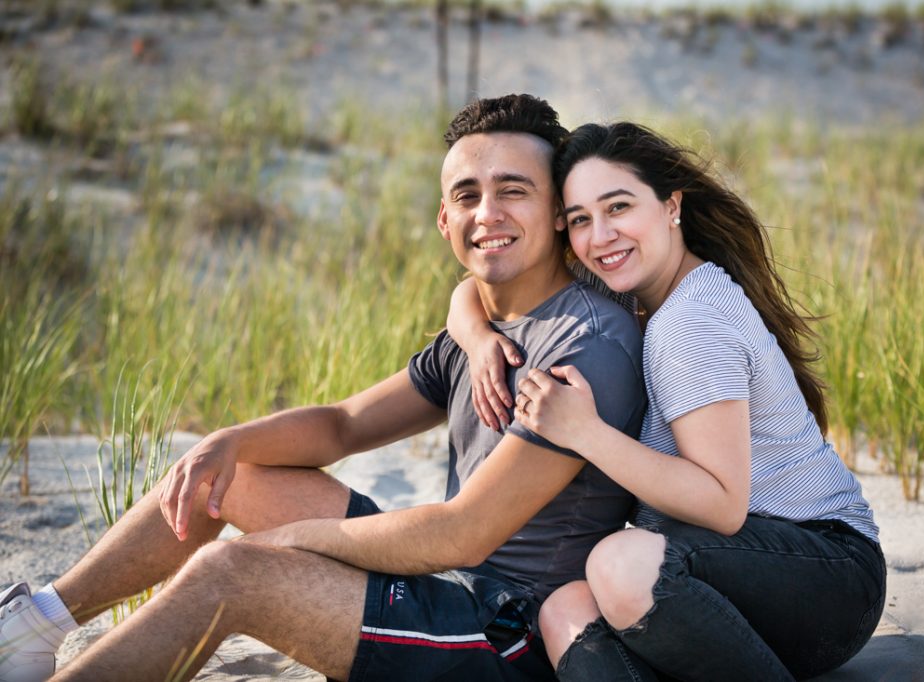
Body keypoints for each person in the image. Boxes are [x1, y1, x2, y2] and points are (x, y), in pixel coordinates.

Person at [0, 94, 647, 682]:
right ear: (443, 220)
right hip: (445, 578)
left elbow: (464, 533)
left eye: (514, 191)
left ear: (559, 214)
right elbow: (343, 425)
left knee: (229, 575)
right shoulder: (483, 326)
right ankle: (35, 627)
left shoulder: (587, 345)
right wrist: (226, 441)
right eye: (468, 194)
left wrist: (290, 541)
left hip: (503, 634)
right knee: (225, 475)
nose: (488, 213)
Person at [446, 121, 886, 681]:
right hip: (727, 577)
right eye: (580, 219)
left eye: (619, 207)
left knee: (621, 564)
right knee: (565, 610)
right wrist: (478, 337)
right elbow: (473, 285)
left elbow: (723, 504)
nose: (600, 236)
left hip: (825, 576)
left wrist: (584, 432)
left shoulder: (690, 320)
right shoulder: (630, 289)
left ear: (671, 206)